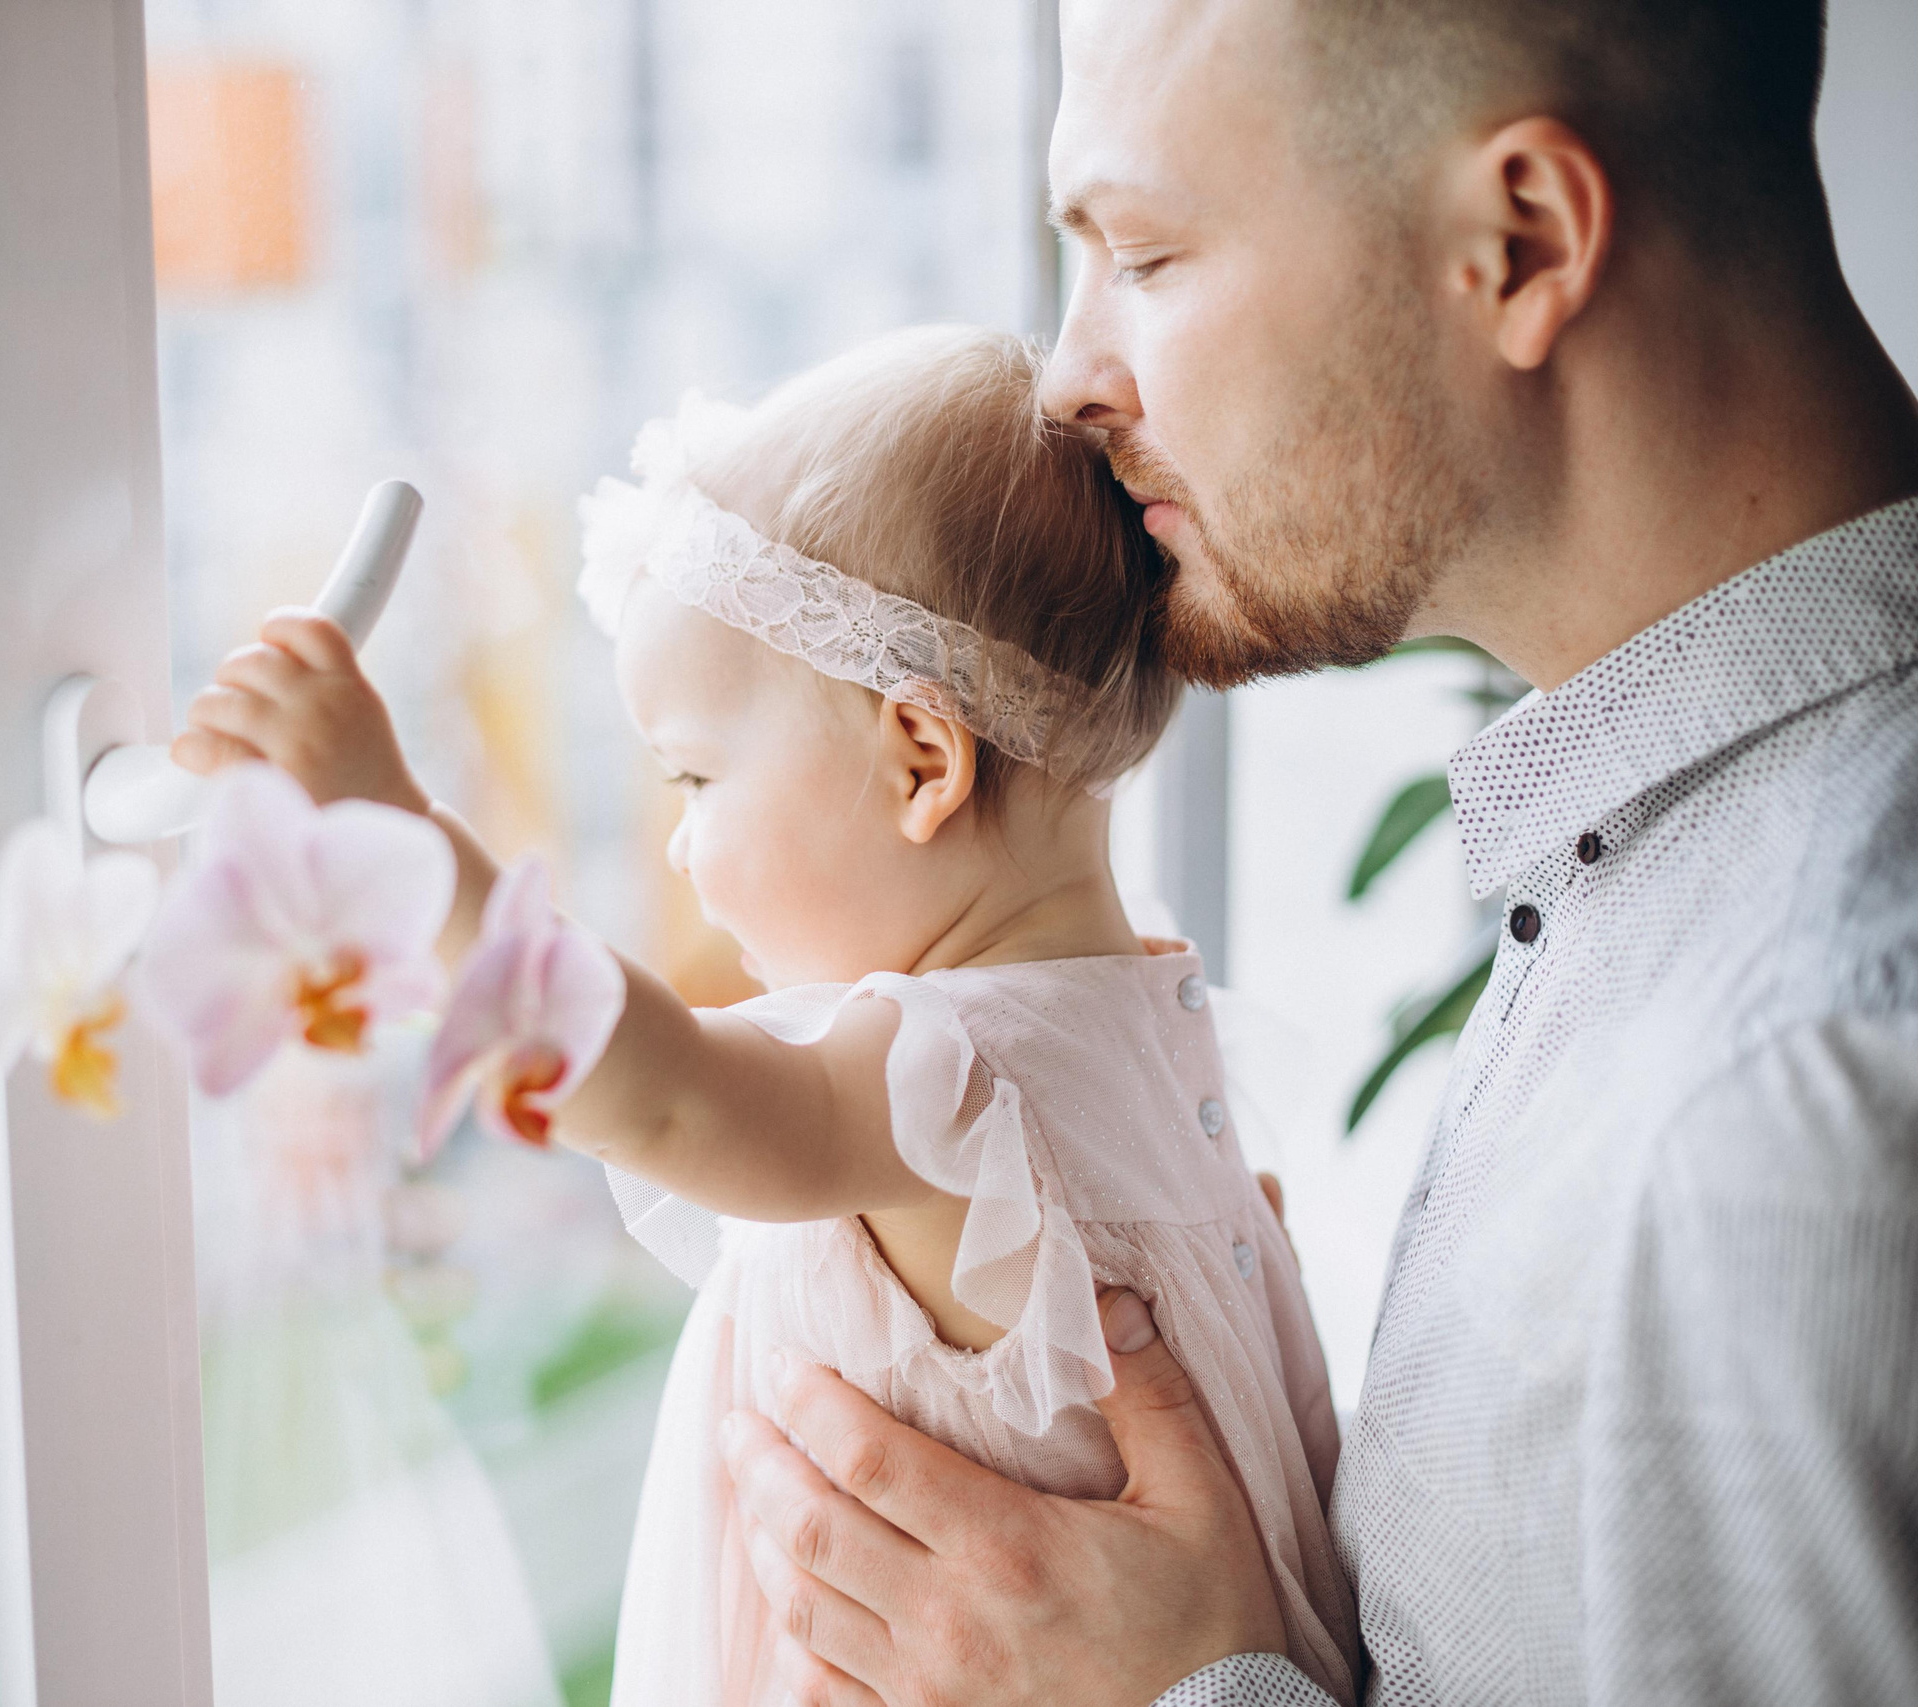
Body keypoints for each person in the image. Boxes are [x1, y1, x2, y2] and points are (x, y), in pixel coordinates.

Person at [713, 1, 1918, 1704]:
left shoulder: (1781, 1107)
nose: (1069, 377)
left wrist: (1183, 1694)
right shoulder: (1661, 860)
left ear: (1520, 244)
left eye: (1144, 250)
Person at [172, 325, 1360, 1701]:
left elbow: (661, 1094)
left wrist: (395, 829)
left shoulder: (945, 1085)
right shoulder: (1139, 1018)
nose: (678, 847)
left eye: (692, 781)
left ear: (922, 759)